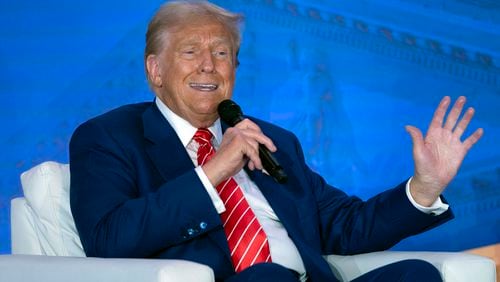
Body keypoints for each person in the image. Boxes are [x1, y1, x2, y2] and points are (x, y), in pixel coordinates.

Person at [69, 1, 483, 281]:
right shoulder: (108, 137)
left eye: (222, 53)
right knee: (268, 276)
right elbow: (108, 239)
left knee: (415, 274)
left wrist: (425, 187)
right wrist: (215, 170)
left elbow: (344, 226)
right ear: (155, 69)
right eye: (191, 51)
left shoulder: (272, 139)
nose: (209, 67)